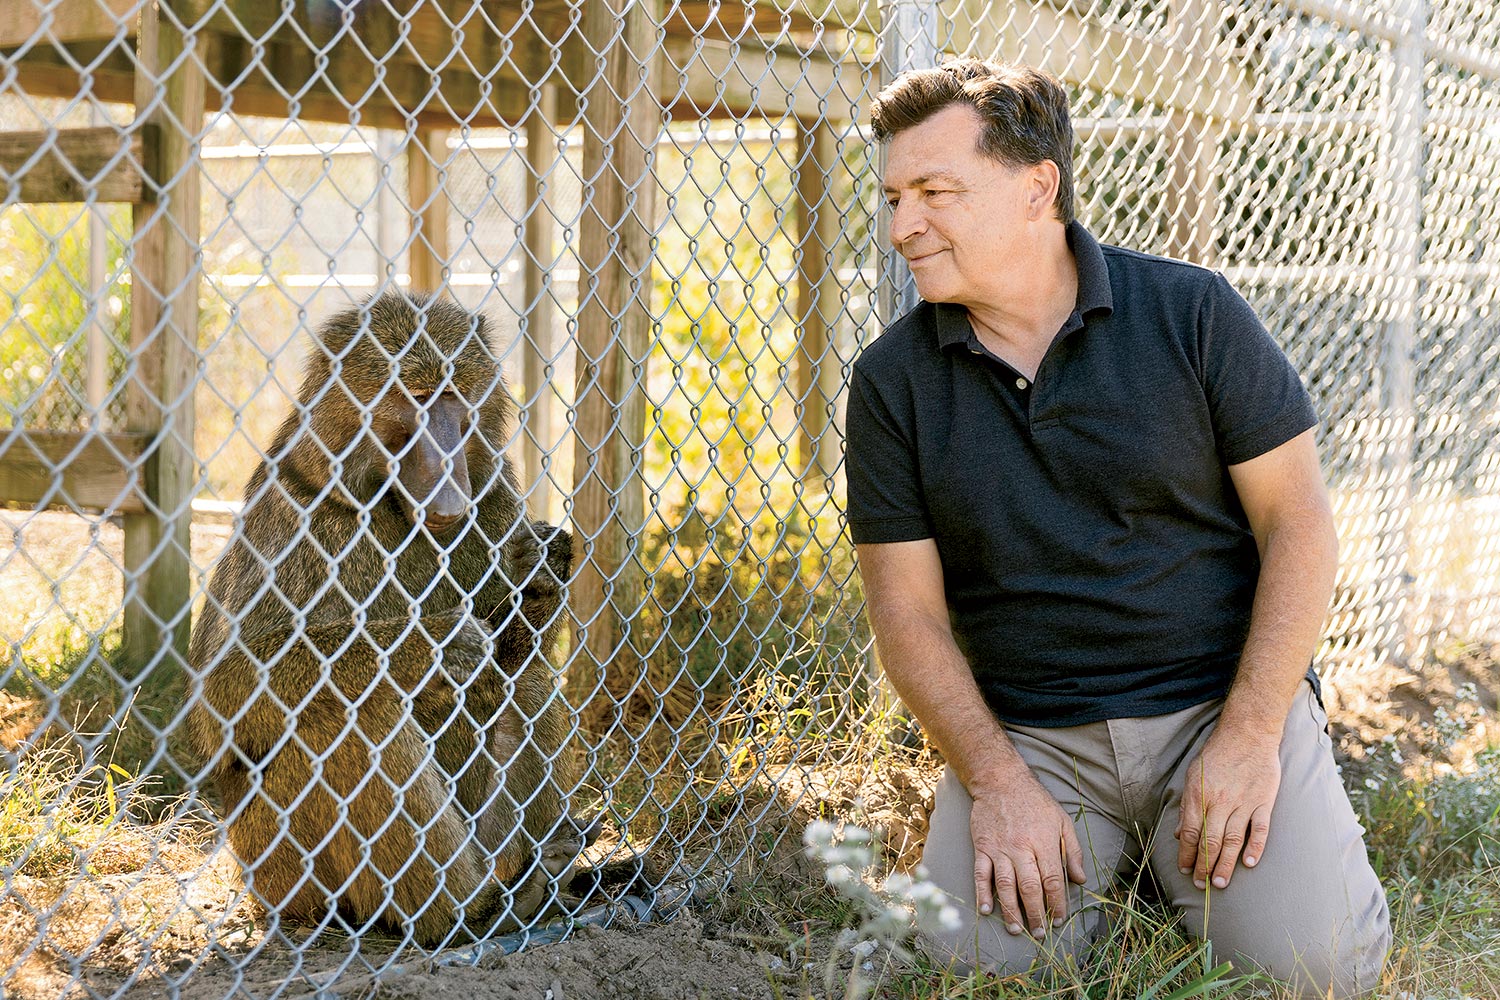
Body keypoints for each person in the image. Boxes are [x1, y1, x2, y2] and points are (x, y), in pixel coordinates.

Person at [845, 59, 1390, 998]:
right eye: (894, 197)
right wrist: (999, 782)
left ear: (1037, 187)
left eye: (934, 192)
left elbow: (1298, 526)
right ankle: (1124, 858)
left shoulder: (1193, 312)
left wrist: (1254, 732)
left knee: (1316, 971)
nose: (902, 228)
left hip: (1211, 709)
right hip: (1033, 737)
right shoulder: (891, 381)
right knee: (972, 973)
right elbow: (907, 615)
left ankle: (1197, 838)